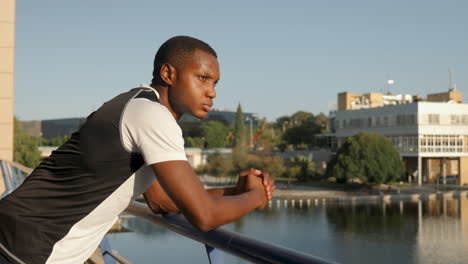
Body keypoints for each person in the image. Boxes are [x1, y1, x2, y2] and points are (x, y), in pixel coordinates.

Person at [0, 36, 276, 264]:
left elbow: (160, 201)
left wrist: (234, 192)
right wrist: (256, 196)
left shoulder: (135, 104)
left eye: (215, 83)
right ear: (169, 73)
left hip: (17, 234)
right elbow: (203, 217)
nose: (212, 92)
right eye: (202, 78)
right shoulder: (153, 116)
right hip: (28, 247)